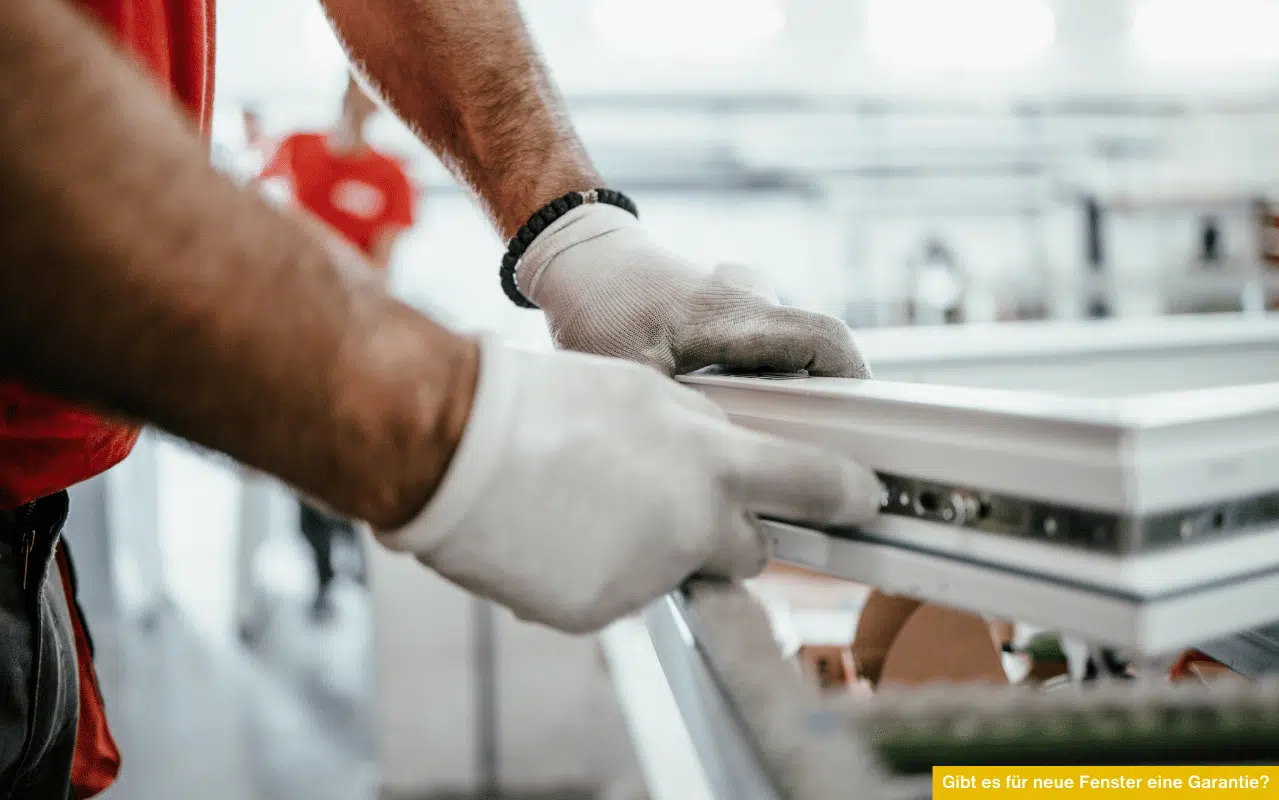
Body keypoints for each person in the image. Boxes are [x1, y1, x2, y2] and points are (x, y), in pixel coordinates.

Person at [0, 0, 880, 796]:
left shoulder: (379, 177)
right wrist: (453, 432)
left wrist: (574, 233)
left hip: (36, 542)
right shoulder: (300, 152)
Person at [255, 76, 417, 619]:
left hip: (352, 341)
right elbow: (259, 212)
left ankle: (356, 559)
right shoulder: (297, 148)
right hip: (291, 335)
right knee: (303, 460)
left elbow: (379, 271)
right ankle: (324, 570)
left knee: (354, 451)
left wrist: (315, 247)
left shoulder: (391, 176)